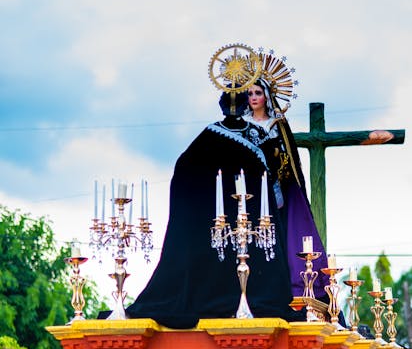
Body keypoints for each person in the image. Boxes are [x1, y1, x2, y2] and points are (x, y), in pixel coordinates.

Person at [127, 90, 294, 328]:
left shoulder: (224, 136)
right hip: (229, 226)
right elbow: (188, 172)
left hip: (235, 227)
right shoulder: (238, 137)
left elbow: (185, 171)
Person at [244, 79, 329, 298]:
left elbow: (287, 159)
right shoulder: (242, 125)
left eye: (258, 92)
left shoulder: (276, 125)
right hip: (249, 192)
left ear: (267, 97)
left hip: (276, 191)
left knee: (278, 237)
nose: (253, 97)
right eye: (250, 93)